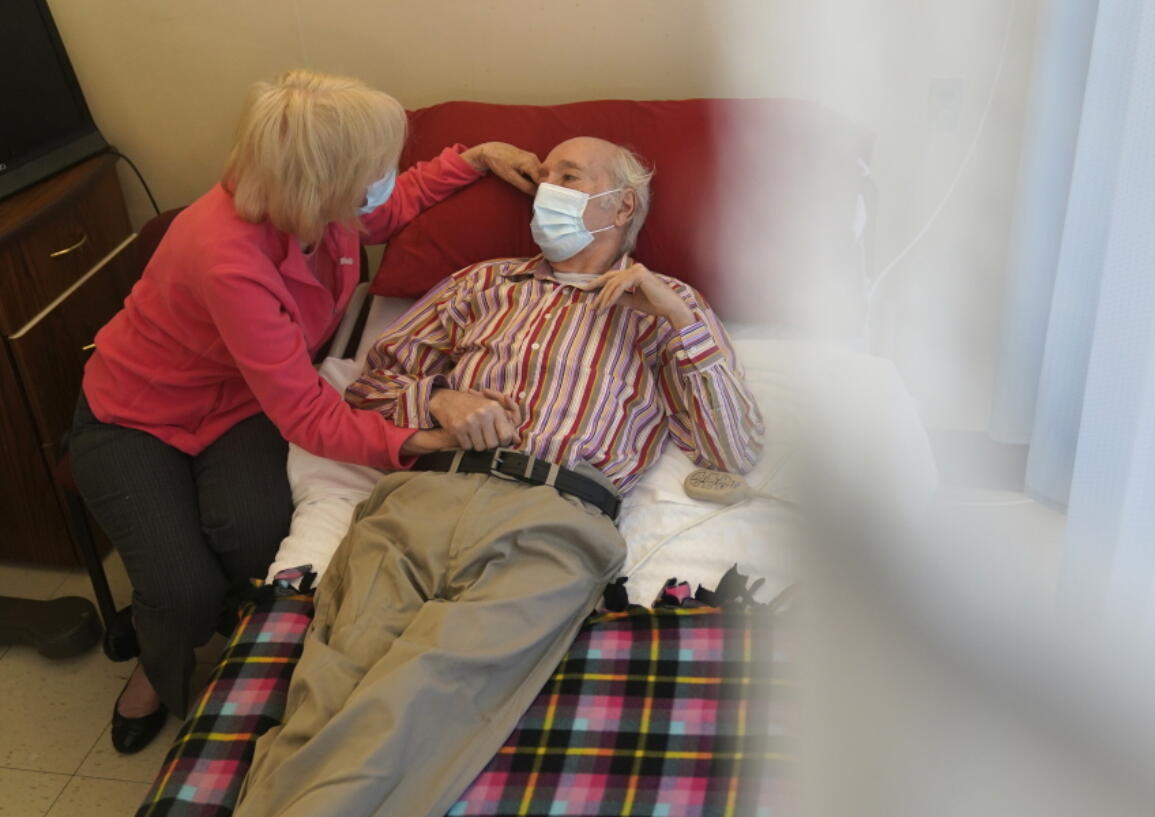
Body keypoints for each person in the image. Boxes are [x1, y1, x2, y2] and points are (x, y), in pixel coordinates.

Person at [234, 136, 765, 817]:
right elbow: (371, 387)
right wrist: (437, 399)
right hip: (421, 498)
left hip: (553, 520)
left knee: (428, 682)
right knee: (329, 680)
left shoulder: (670, 310)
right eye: (542, 175)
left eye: (568, 175)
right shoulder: (481, 283)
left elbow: (733, 447)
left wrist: (676, 317)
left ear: (621, 203)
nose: (546, 188)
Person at [68, 69, 540, 753]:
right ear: (320, 180)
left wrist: (471, 159)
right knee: (181, 585)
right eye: (369, 169)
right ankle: (156, 659)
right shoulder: (226, 258)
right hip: (134, 414)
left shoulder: (322, 209)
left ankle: (188, 615)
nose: (382, 177)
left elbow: (393, 202)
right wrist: (420, 438)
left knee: (257, 532)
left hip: (236, 406)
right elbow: (311, 419)